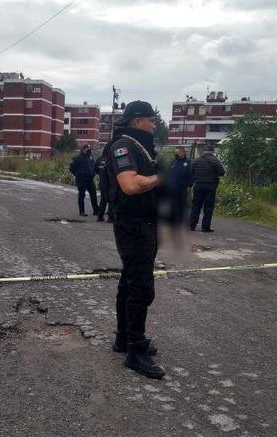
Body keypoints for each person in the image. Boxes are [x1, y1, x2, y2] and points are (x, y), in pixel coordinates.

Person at [106, 100, 166, 379]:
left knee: (128, 284)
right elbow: (130, 185)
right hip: (133, 226)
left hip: (144, 224)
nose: (154, 124)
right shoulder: (123, 146)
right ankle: (135, 352)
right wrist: (161, 178)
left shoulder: (138, 146)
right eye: (151, 120)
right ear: (137, 121)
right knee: (140, 288)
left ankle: (124, 339)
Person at [189, 144, 225, 232]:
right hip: (210, 187)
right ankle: (205, 227)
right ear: (212, 151)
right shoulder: (215, 161)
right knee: (208, 207)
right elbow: (222, 172)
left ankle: (191, 225)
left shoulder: (196, 160)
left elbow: (191, 171)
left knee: (196, 206)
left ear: (204, 151)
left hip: (198, 186)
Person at [69, 143, 99, 217]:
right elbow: (71, 168)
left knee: (93, 195)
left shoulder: (90, 157)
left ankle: (96, 210)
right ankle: (82, 211)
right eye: (88, 150)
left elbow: (93, 166)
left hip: (90, 179)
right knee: (82, 195)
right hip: (81, 179)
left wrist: (93, 173)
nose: (89, 151)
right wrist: (77, 174)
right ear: (83, 150)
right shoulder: (78, 158)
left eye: (90, 150)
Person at [166, 146, 191, 228]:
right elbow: (168, 174)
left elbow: (191, 175)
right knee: (172, 205)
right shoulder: (173, 162)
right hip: (172, 188)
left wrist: (189, 185)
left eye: (177, 152)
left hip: (182, 188)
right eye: (175, 152)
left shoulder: (188, 163)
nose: (175, 154)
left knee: (182, 205)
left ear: (183, 152)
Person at [95, 150, 114, 222]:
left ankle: (100, 216)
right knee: (112, 199)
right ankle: (110, 217)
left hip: (102, 182)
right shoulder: (111, 158)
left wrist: (101, 174)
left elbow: (95, 169)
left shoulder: (100, 159)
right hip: (110, 182)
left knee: (103, 200)